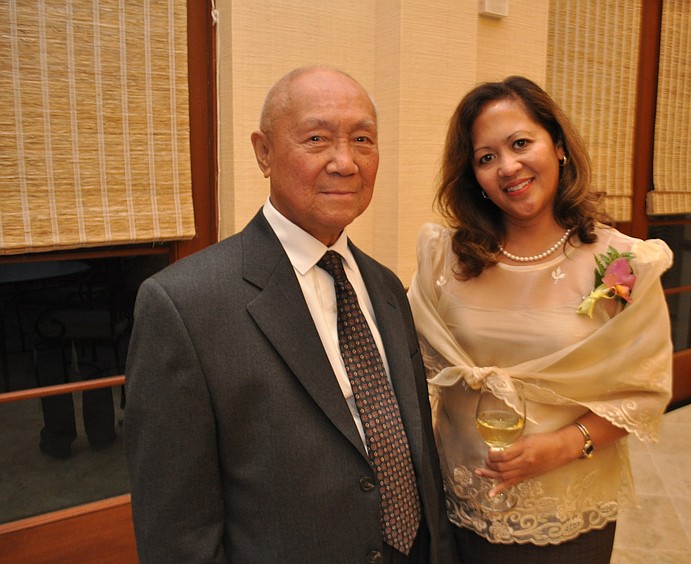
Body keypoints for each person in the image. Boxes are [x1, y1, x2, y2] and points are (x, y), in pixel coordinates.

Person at [124, 66, 457, 564]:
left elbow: (417, 458)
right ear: (263, 152)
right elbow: (177, 528)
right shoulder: (183, 306)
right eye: (317, 138)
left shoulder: (386, 286)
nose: (345, 162)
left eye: (362, 139)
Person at [407, 76, 673, 563]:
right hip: (461, 503)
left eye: (520, 143)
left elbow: (643, 391)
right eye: (486, 158)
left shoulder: (621, 264)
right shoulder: (444, 257)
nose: (508, 167)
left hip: (567, 509)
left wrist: (566, 444)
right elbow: (411, 366)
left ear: (559, 145)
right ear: (473, 176)